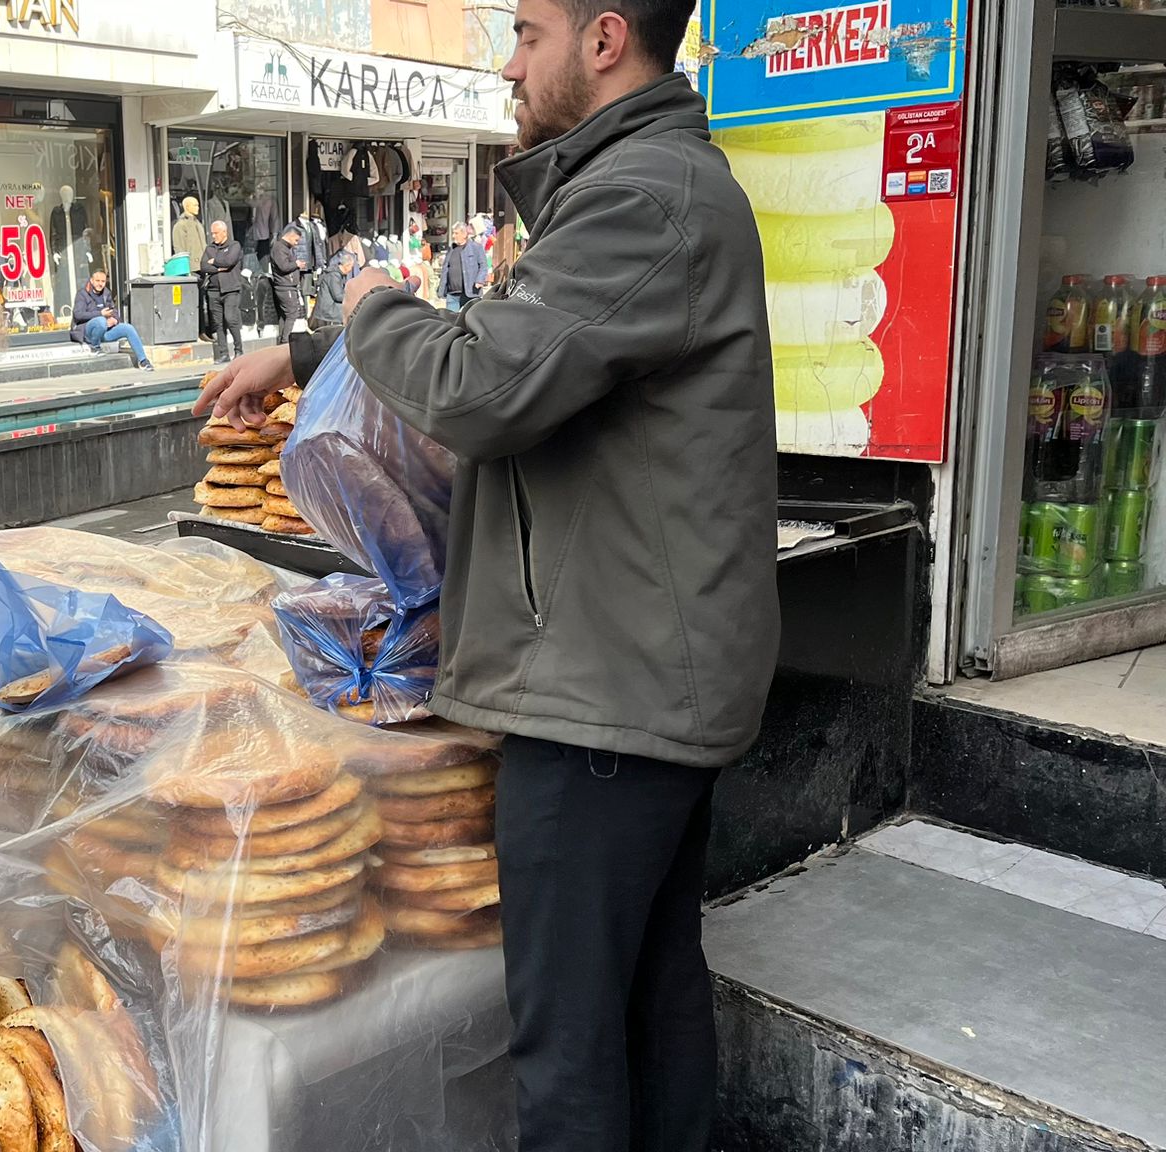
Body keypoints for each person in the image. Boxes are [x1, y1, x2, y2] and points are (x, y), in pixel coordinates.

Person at [196, 0, 776, 1148]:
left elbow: (479, 388)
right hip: (639, 679)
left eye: (524, 34)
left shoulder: (643, 197)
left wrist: (363, 303)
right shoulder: (634, 185)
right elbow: (518, 339)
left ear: (603, 39)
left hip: (607, 691)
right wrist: (315, 349)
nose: (507, 66)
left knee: (567, 1051)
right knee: (647, 1007)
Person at [71, 268, 153, 369]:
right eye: (97, 281)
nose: (100, 284)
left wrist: (115, 320)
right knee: (100, 321)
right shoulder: (82, 294)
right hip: (88, 332)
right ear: (91, 280)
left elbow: (114, 312)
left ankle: (143, 361)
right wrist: (100, 314)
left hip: (104, 331)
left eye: (103, 281)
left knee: (128, 328)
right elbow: (78, 315)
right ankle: (95, 347)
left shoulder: (106, 293)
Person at [200, 220, 244, 363]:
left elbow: (230, 261)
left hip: (231, 289)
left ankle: (239, 350)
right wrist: (218, 268)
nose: (213, 236)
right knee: (218, 323)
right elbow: (203, 266)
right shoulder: (209, 248)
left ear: (224, 232)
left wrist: (215, 261)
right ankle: (223, 353)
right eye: (212, 233)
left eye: (216, 233)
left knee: (230, 319)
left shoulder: (234, 245)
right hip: (214, 291)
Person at [441, 223, 490, 313]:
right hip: (452, 294)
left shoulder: (476, 248)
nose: (453, 236)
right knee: (451, 320)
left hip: (470, 292)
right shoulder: (451, 249)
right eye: (453, 233)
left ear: (464, 234)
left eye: (456, 233)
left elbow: (483, 266)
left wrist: (479, 280)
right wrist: (441, 288)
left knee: (471, 319)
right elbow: (445, 269)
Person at [269, 224, 306, 334]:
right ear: (290, 236)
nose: (296, 243)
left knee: (285, 315)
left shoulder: (285, 248)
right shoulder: (279, 248)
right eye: (296, 240)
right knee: (291, 313)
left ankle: (283, 339)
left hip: (288, 285)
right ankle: (285, 340)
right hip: (285, 286)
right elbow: (283, 266)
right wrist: (296, 264)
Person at [310, 250, 356, 331]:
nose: (351, 270)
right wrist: (352, 298)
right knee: (350, 310)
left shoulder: (338, 274)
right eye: (351, 267)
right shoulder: (334, 276)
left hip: (329, 306)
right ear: (346, 265)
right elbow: (338, 296)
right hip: (328, 309)